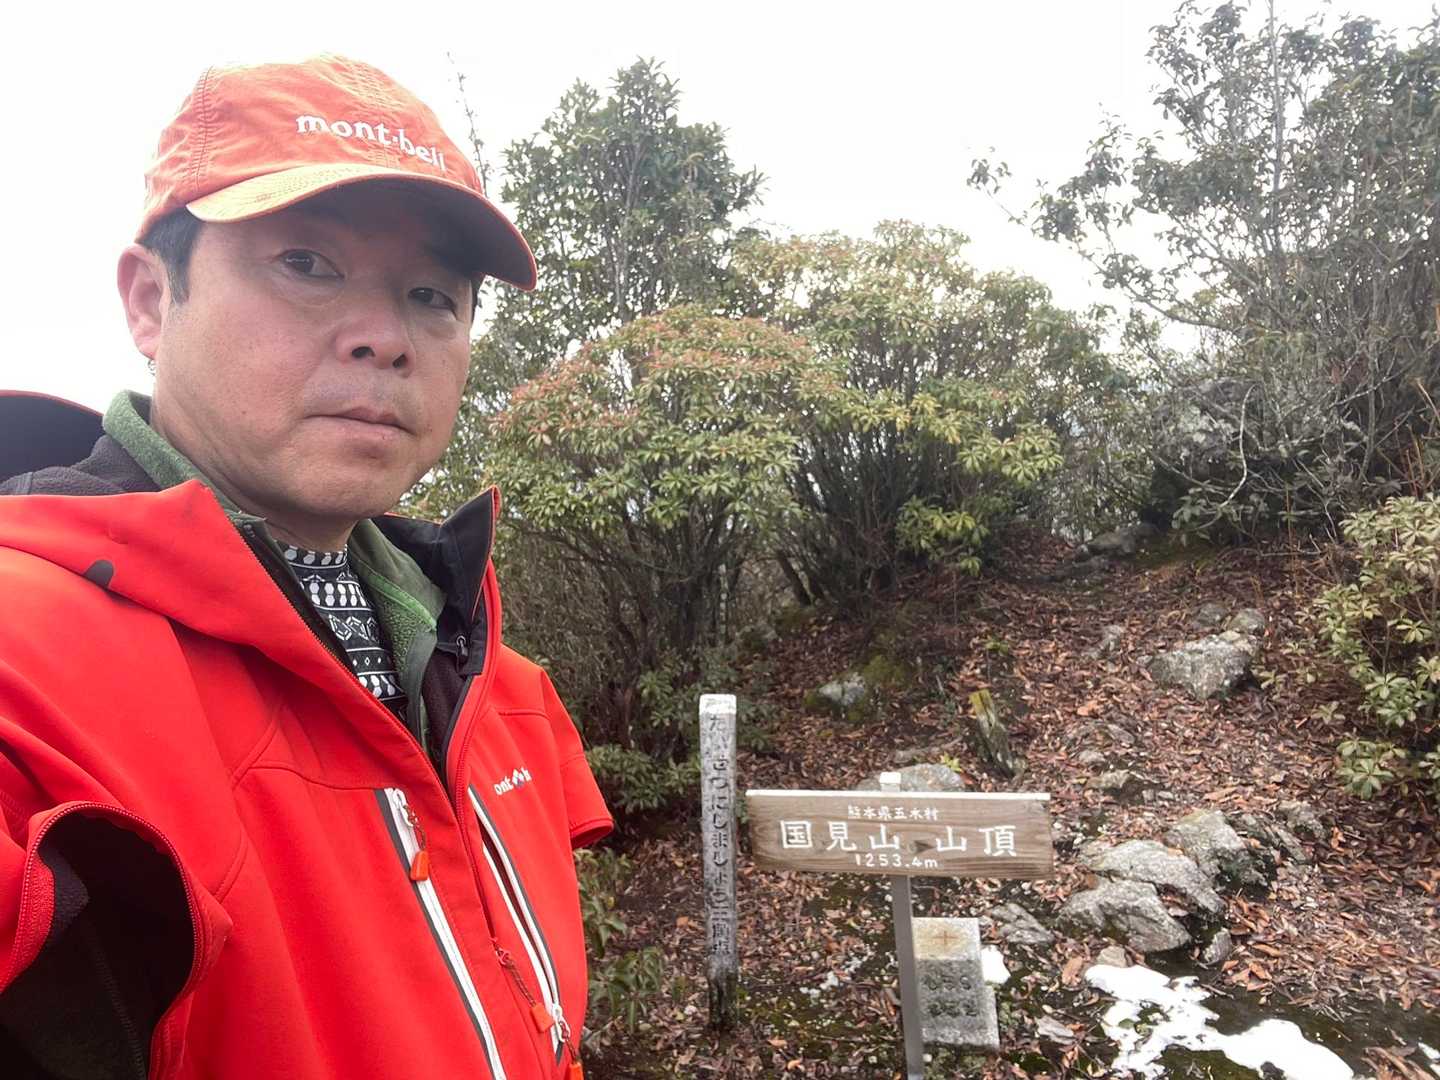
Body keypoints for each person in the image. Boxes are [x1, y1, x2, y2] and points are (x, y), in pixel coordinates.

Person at [0, 55, 611, 1079]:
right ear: (150, 300)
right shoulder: (27, 668)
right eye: (307, 264)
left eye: (431, 295)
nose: (385, 339)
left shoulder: (499, 691)